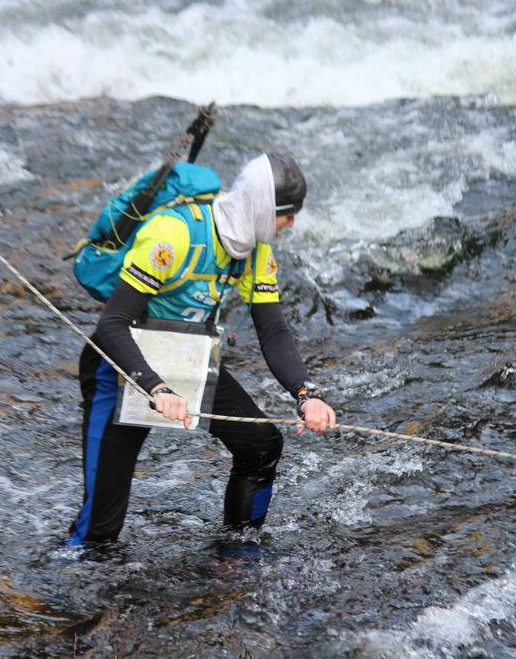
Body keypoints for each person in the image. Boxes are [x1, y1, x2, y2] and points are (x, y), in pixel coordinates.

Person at [69, 153, 336, 546]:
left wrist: (306, 394)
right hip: (121, 367)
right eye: (287, 214)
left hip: (183, 357)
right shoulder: (173, 234)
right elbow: (112, 324)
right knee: (101, 528)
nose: (292, 224)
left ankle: (237, 554)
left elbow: (274, 332)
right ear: (264, 209)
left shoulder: (257, 253)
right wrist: (156, 388)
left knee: (261, 446)